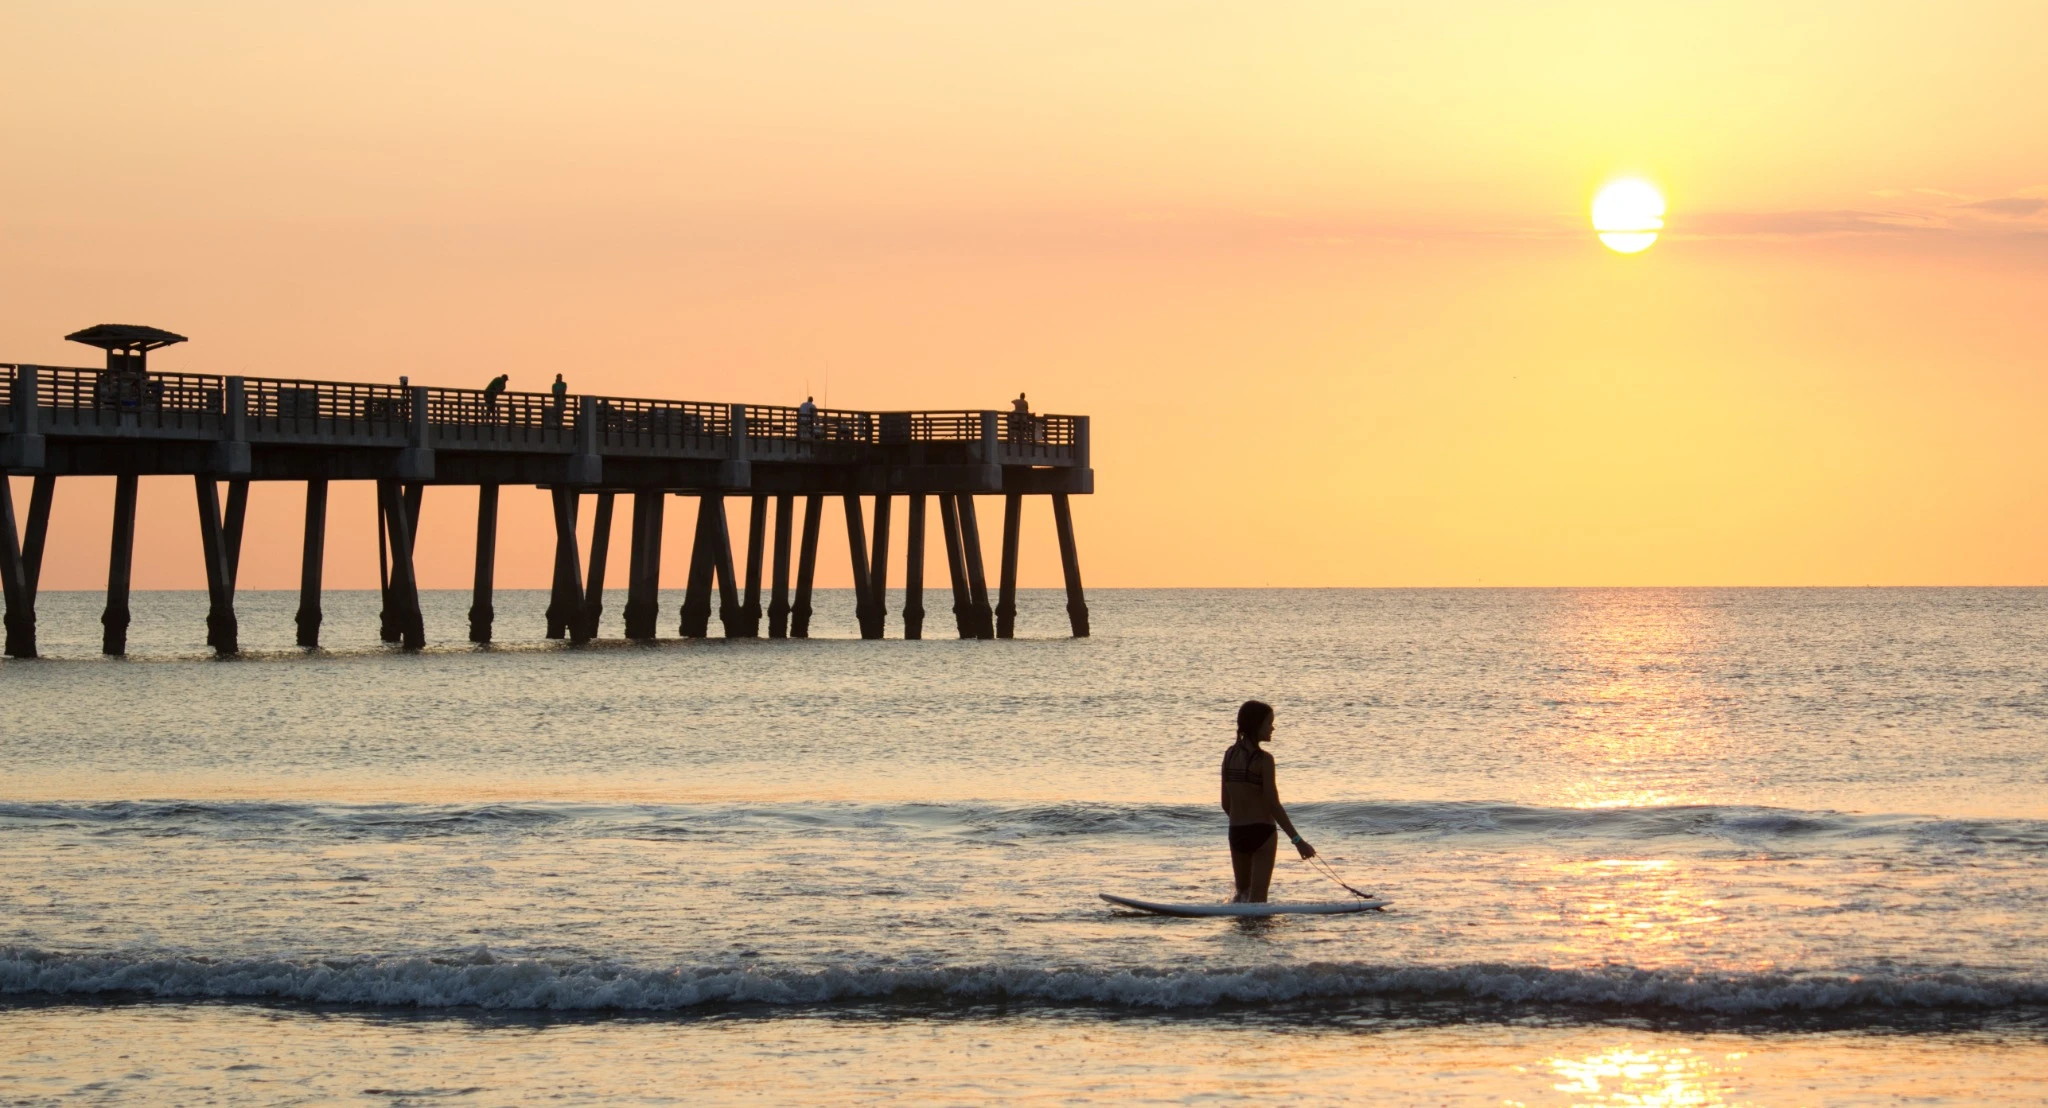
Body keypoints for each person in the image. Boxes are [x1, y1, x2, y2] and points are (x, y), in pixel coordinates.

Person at [1220, 699, 1314, 903]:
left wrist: (1242, 820)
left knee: (1242, 895)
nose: (1273, 727)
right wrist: (1298, 841)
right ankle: (1258, 935)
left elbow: (1225, 803)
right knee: (1258, 900)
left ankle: (1238, 934)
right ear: (1256, 725)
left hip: (1236, 832)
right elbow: (1273, 804)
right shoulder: (1264, 760)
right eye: (1269, 723)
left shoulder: (1229, 755)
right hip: (1262, 833)